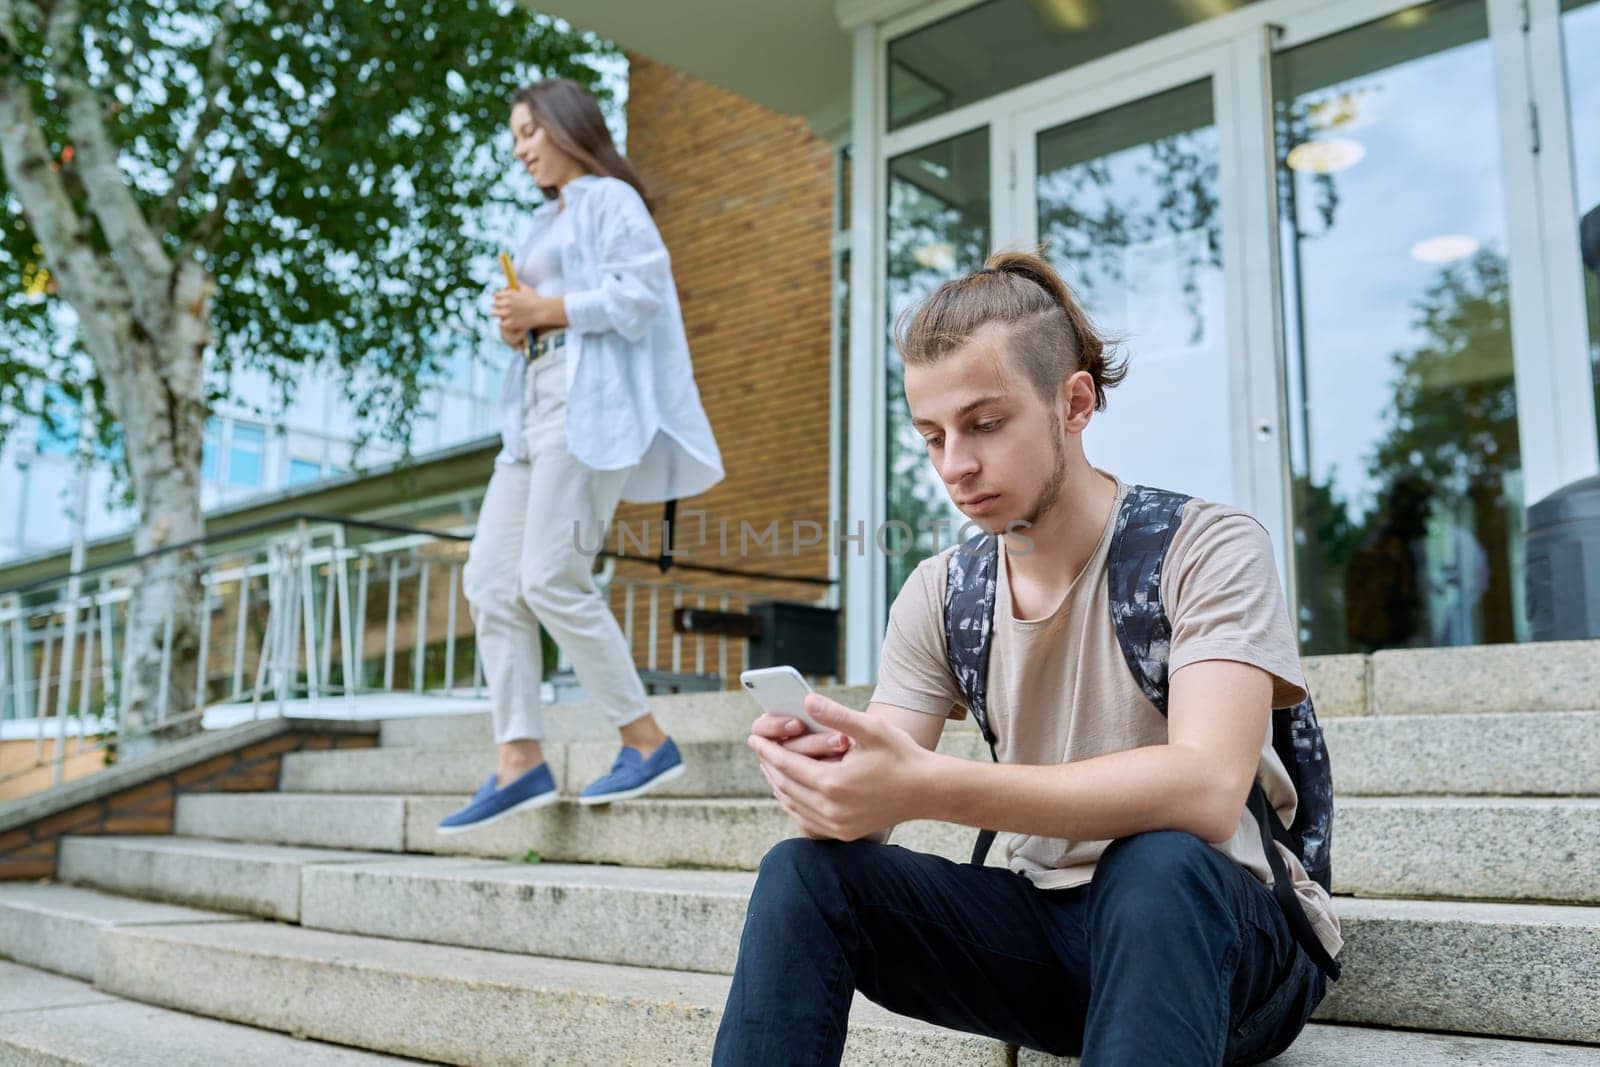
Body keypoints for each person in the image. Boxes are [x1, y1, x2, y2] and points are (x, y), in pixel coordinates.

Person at [715, 251, 1340, 1064]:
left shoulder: (1205, 545)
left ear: (1072, 402)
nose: (954, 466)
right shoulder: (942, 592)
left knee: (1157, 862)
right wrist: (824, 780)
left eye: (984, 424)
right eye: (933, 436)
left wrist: (929, 784)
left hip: (1223, 940)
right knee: (804, 873)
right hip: (1047, 940)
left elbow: (1208, 790)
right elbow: (874, 801)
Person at [438, 78, 724, 833]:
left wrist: (550, 309)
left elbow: (642, 296)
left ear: (568, 125)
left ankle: (645, 740)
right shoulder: (545, 220)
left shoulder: (608, 199)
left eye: (529, 131)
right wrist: (518, 323)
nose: (522, 148)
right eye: (515, 140)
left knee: (550, 575)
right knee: (492, 581)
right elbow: (554, 305)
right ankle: (518, 756)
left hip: (586, 403)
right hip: (531, 404)